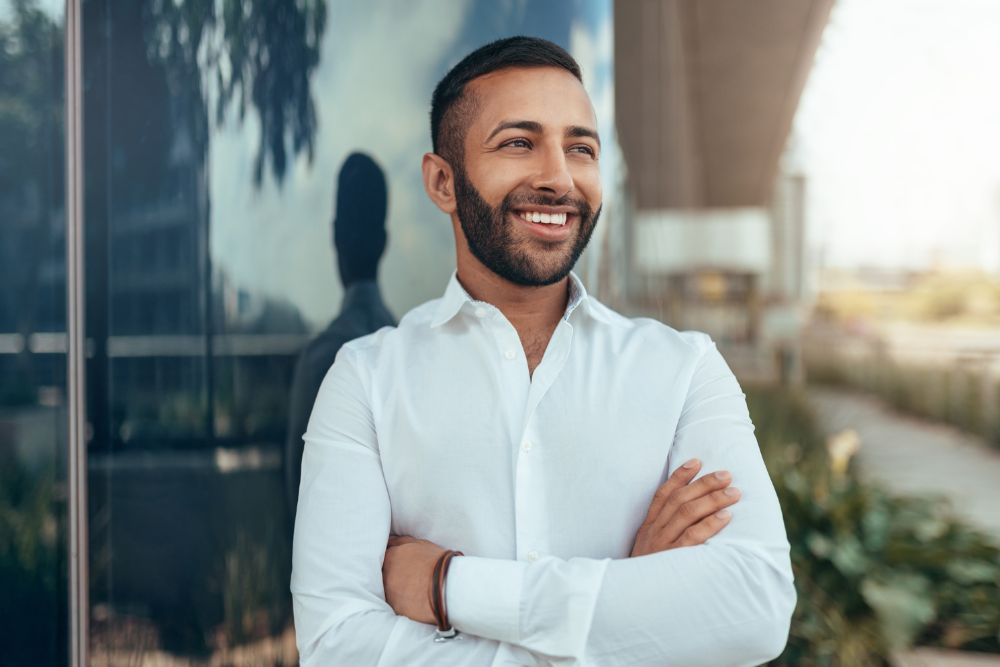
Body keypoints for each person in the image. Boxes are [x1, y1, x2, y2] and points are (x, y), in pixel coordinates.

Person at [291, 37, 794, 666]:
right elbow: (337, 647)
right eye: (518, 143)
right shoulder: (364, 381)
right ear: (443, 181)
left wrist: (447, 585)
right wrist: (629, 605)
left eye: (580, 147)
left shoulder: (684, 370)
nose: (558, 178)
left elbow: (755, 608)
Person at [284, 152, 395, 517]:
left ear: (334, 237)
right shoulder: (407, 353)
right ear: (384, 242)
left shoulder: (321, 359)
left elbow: (299, 504)